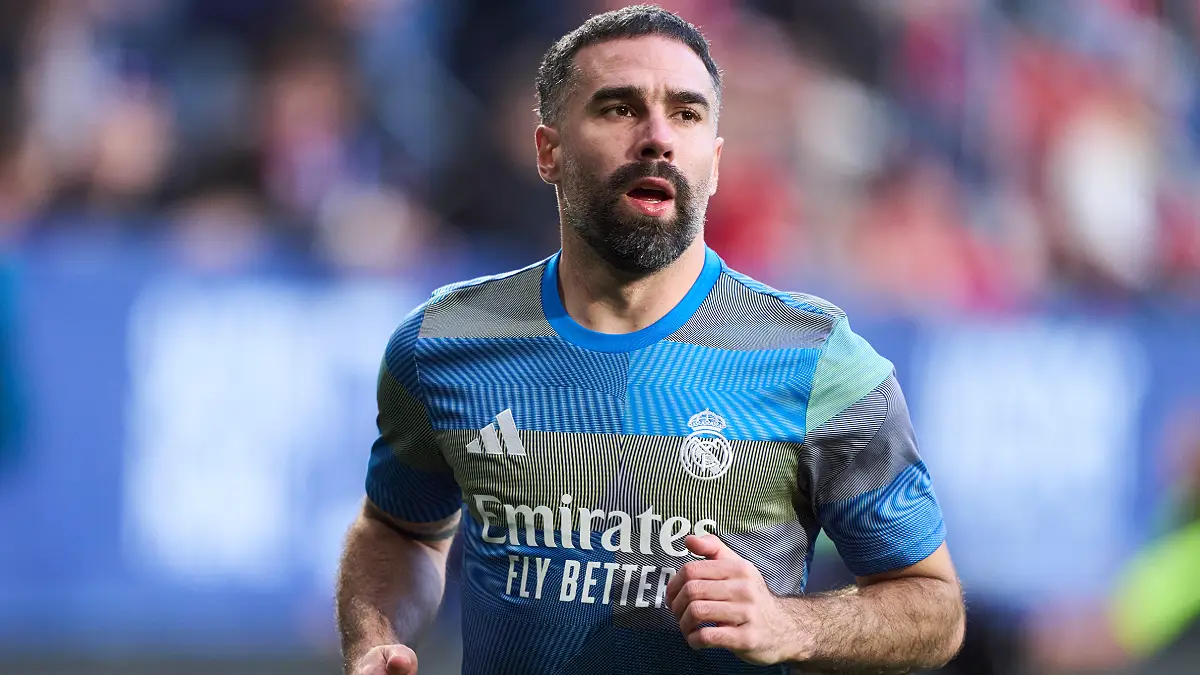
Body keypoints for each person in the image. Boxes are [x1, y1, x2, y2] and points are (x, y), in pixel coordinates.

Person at [335, 5, 965, 674]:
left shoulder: (819, 362)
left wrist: (794, 622)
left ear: (714, 162)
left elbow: (933, 603)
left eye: (688, 114)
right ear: (548, 151)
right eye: (618, 109)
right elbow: (399, 529)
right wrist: (375, 637)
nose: (658, 137)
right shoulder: (443, 344)